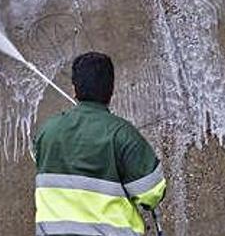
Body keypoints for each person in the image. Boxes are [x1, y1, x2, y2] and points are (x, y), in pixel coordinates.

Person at [34, 52, 166, 235]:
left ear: (74, 88)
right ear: (111, 89)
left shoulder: (47, 131)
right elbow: (151, 193)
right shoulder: (122, 134)